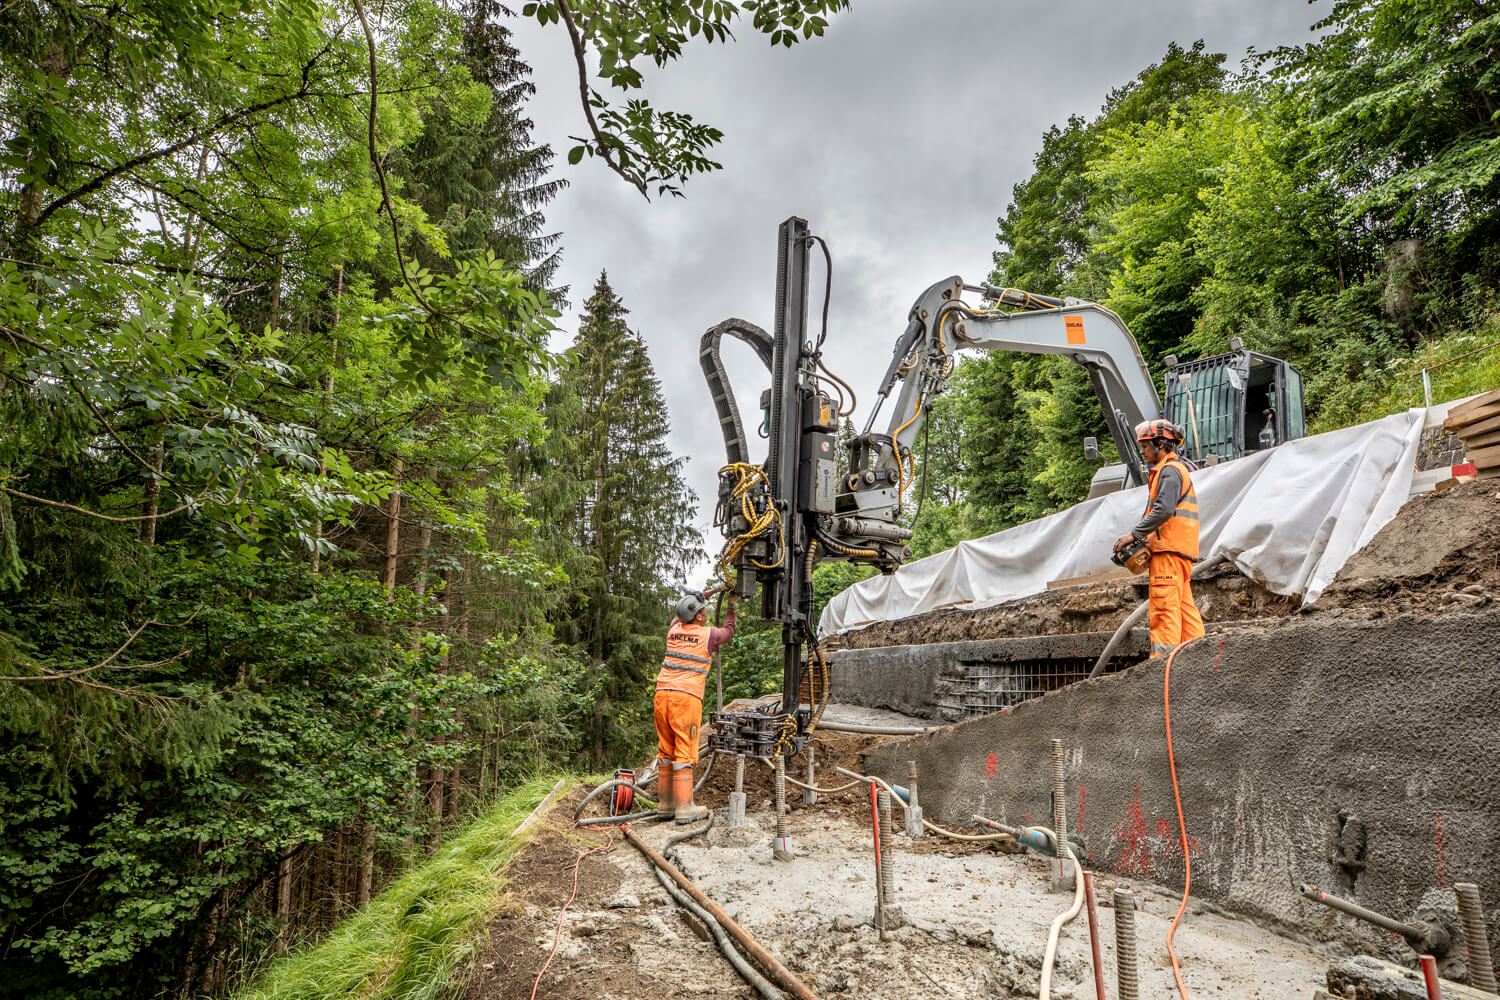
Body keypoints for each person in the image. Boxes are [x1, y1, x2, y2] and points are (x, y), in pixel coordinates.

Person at [1114, 420, 1204, 657]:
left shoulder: (1170, 471)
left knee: (1164, 609)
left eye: (1145, 446)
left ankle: (1161, 667)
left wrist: (1134, 534)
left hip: (1169, 552)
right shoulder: (1170, 471)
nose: (1142, 451)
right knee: (1185, 612)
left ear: (1161, 444)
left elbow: (1163, 510)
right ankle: (1197, 660)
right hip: (1177, 552)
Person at [655, 583, 738, 823]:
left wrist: (705, 594)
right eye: (703, 610)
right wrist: (731, 607)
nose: (706, 612)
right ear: (699, 616)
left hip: (662, 695)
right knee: (684, 750)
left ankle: (666, 804)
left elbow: (682, 612)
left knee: (666, 749)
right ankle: (685, 808)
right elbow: (728, 632)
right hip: (686, 698)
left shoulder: (673, 629)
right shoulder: (708, 635)